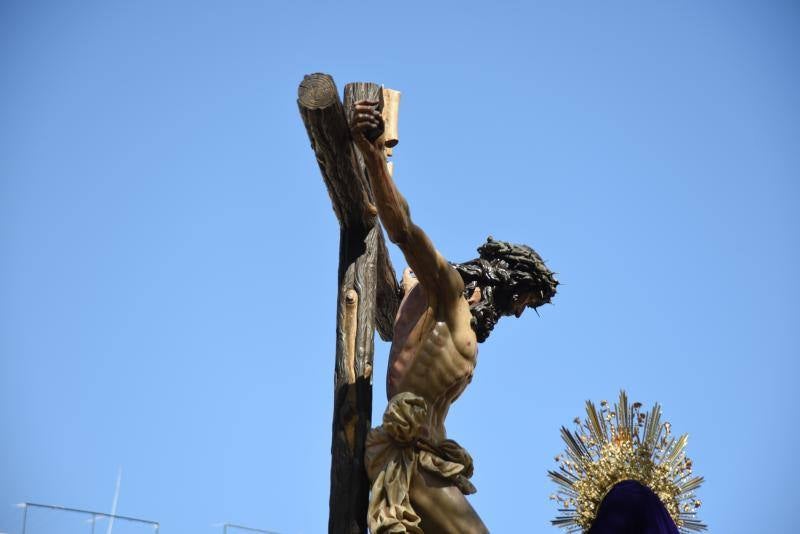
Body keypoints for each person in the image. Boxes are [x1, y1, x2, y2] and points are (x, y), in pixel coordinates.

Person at [351, 100, 558, 534]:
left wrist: (407, 289)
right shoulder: (448, 293)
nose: (518, 313)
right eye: (523, 298)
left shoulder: (451, 320)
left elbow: (409, 331)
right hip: (408, 460)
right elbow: (403, 229)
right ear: (503, 280)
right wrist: (372, 156)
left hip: (431, 460)